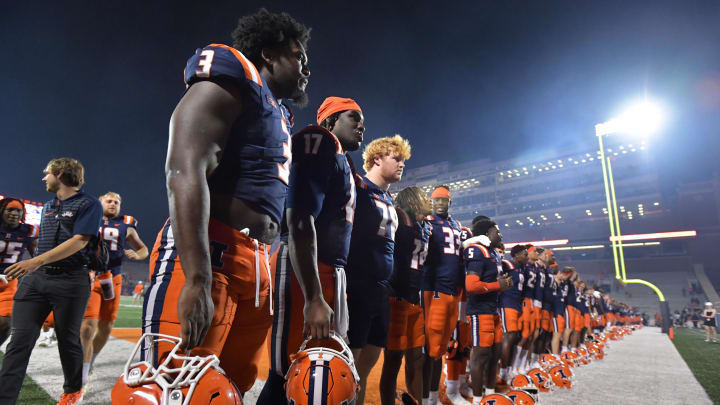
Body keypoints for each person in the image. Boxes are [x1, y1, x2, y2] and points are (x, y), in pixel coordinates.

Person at [141, 8, 311, 394]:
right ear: (268, 52)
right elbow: (184, 170)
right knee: (173, 387)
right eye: (298, 56)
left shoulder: (278, 113)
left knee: (228, 390)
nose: (306, 68)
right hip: (214, 254)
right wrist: (197, 277)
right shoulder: (233, 73)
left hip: (258, 267)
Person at [257, 96, 364, 404]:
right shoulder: (319, 140)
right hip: (305, 267)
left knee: (323, 369)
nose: (361, 126)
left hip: (327, 269)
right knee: (291, 371)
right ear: (330, 121)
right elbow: (299, 218)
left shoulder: (342, 157)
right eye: (354, 118)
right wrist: (314, 297)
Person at [0, 157, 103, 405]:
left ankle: (72, 389)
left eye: (46, 173)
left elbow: (80, 241)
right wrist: (35, 266)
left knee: (68, 341)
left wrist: (34, 261)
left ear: (60, 174)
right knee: (19, 342)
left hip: (70, 280)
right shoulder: (48, 206)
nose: (43, 178)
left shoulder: (88, 204)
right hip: (36, 281)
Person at [346, 135, 411, 405]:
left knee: (370, 357)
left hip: (381, 288)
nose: (401, 165)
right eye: (396, 158)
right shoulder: (357, 187)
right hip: (357, 283)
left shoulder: (388, 199)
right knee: (351, 358)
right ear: (377, 158)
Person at [79, 191, 148, 390]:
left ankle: (90, 361)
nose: (113, 204)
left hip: (114, 278)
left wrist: (137, 254)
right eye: (109, 201)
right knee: (87, 327)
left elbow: (143, 249)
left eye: (116, 202)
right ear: (100, 203)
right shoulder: (89, 218)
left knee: (106, 328)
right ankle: (83, 372)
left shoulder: (126, 224)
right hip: (90, 276)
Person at [379, 186, 431, 404]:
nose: (427, 200)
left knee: (416, 358)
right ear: (412, 200)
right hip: (396, 297)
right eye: (422, 197)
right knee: (393, 359)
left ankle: (416, 400)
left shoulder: (424, 226)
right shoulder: (399, 218)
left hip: (413, 298)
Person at [421, 185, 466, 405]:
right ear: (431, 201)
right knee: (430, 347)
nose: (439, 203)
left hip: (451, 291)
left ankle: (433, 396)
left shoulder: (458, 226)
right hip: (434, 289)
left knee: (441, 348)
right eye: (436, 199)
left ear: (450, 202)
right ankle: (427, 397)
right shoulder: (426, 222)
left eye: (443, 200)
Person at [462, 217, 512, 404]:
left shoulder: (493, 253)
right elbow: (471, 285)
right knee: (480, 356)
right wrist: (497, 285)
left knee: (495, 354)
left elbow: (492, 282)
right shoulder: (477, 250)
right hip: (480, 310)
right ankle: (477, 399)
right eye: (497, 231)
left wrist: (502, 285)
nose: (500, 235)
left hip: (493, 309)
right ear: (487, 232)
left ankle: (490, 395)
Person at [0, 198, 39, 347]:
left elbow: (37, 255)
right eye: (10, 209)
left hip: (9, 282)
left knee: (5, 325)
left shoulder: (28, 231)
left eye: (18, 210)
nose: (14, 213)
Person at [497, 244, 528, 385]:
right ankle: (503, 372)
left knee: (514, 337)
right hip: (507, 303)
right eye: (524, 254)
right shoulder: (507, 264)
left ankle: (508, 369)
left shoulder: (521, 268)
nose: (526, 257)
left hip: (516, 304)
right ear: (516, 255)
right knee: (508, 337)